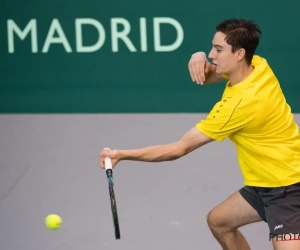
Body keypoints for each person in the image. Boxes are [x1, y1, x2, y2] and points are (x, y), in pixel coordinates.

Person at [99, 18, 300, 250]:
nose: (212, 54)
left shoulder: (239, 106)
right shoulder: (257, 65)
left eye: (218, 49)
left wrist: (121, 154)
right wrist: (198, 56)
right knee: (219, 222)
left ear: (239, 54)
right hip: (266, 183)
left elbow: (179, 148)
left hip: (288, 189)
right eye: (212, 47)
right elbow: (205, 76)